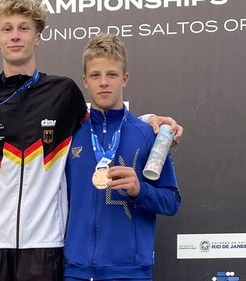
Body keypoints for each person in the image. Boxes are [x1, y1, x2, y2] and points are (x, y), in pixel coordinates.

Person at [0, 0, 183, 281]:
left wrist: (150, 123)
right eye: (7, 29)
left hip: (45, 243)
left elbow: (103, 121)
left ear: (38, 37)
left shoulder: (63, 93)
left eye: (24, 28)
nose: (15, 36)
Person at [64, 34, 182, 281]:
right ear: (85, 81)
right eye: (95, 75)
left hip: (130, 273)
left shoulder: (148, 134)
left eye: (112, 74)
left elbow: (172, 201)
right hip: (76, 271)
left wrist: (141, 191)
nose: (104, 82)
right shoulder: (70, 135)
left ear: (125, 79)